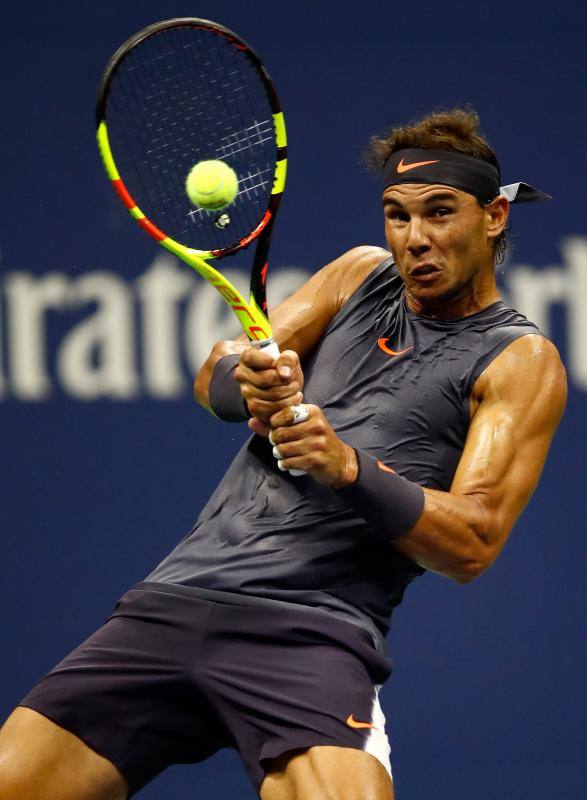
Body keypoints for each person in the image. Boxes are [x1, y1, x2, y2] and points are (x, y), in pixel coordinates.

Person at [0, 109, 566, 800]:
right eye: (396, 215)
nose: (414, 239)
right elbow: (214, 377)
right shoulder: (359, 274)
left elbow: (472, 543)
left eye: (439, 213)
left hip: (310, 631)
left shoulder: (519, 359)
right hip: (176, 598)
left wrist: (347, 467)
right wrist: (252, 381)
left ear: (493, 218)